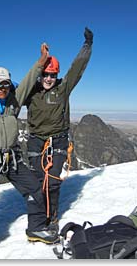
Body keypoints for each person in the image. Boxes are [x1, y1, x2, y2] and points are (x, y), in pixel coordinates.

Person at [0, 43, 59, 246]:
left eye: (6, 84)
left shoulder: (14, 100)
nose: (2, 88)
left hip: (12, 157)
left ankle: (36, 228)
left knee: (35, 189)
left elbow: (30, 79)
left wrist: (41, 61)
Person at [24, 27, 93, 233]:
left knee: (52, 182)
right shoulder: (31, 91)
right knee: (38, 183)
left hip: (58, 141)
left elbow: (77, 68)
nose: (48, 79)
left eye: (52, 75)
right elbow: (14, 91)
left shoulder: (62, 89)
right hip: (36, 141)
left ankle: (52, 218)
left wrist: (87, 46)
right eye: (45, 74)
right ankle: (39, 219)